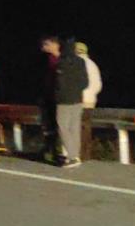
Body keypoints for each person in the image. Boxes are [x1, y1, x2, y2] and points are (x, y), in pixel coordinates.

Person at [55, 38, 89, 168]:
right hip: (78, 99)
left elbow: (59, 82)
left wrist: (59, 94)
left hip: (64, 100)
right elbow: (85, 82)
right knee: (75, 128)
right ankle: (75, 155)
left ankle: (72, 156)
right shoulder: (81, 62)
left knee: (63, 127)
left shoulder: (61, 63)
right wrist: (77, 90)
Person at [76, 42, 103, 161]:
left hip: (78, 100)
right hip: (90, 101)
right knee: (86, 127)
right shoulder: (93, 64)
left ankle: (76, 154)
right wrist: (92, 94)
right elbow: (98, 85)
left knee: (75, 128)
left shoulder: (76, 64)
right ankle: (86, 154)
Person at [39, 37, 61, 162]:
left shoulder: (62, 59)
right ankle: (49, 150)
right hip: (47, 96)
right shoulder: (46, 59)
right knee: (48, 125)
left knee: (57, 125)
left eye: (46, 44)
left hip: (58, 97)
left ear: (55, 44)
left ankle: (55, 151)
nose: (43, 47)